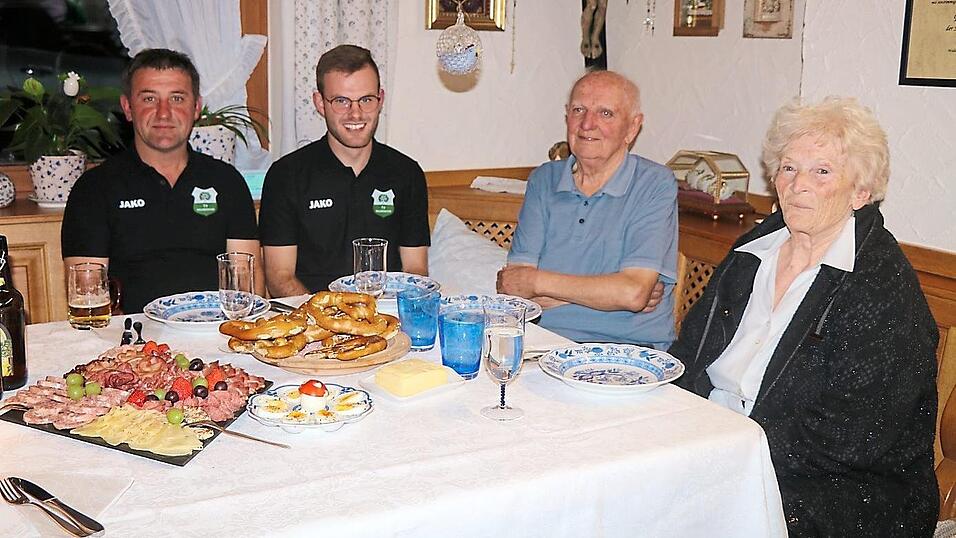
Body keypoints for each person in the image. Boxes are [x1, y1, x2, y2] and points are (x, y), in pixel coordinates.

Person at [670, 97, 939, 536]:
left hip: (830, 491)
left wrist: (724, 451)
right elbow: (690, 352)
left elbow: (850, 438)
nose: (798, 185)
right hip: (718, 441)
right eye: (789, 168)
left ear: (860, 192)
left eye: (822, 172)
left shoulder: (880, 286)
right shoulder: (753, 253)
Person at [62, 48, 262, 313]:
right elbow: (87, 297)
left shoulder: (227, 182)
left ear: (196, 108)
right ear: (128, 108)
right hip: (133, 334)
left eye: (177, 98)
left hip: (217, 330)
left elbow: (247, 286)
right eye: (149, 99)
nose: (164, 113)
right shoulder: (93, 189)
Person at [497, 70, 677, 348]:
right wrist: (611, 291)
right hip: (543, 343)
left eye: (606, 113)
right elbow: (515, 288)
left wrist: (537, 282)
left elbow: (632, 294)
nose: (588, 124)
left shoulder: (654, 183)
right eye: (578, 110)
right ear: (567, 117)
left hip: (627, 349)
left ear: (632, 128)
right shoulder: (544, 179)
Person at [258, 44, 430, 296]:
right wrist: (325, 315)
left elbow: (415, 270)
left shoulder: (407, 173)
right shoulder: (286, 175)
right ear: (320, 103)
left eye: (366, 100)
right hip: (312, 314)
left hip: (386, 313)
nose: (355, 113)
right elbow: (279, 277)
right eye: (341, 101)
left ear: (380, 100)